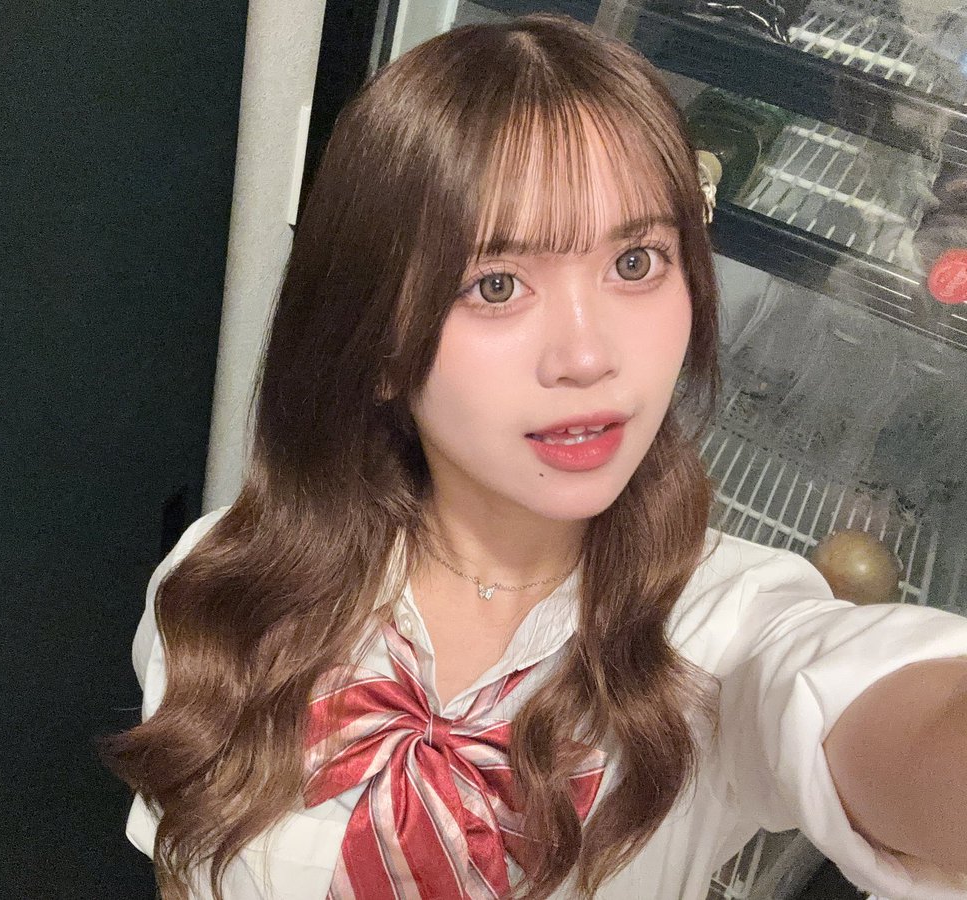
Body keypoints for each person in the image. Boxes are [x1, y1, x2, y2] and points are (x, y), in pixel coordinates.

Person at [99, 13, 967, 900]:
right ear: (379, 341)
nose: (588, 357)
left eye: (637, 262)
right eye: (497, 284)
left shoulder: (720, 636)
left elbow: (883, 715)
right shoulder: (222, 589)